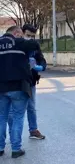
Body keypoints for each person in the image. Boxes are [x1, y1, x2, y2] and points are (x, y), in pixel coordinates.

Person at [0, 26, 41, 158]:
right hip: (19, 86)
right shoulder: (19, 42)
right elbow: (35, 44)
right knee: (18, 117)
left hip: (1, 88)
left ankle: (0, 147)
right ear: (17, 33)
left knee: (1, 117)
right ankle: (16, 149)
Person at [8, 24, 47, 140]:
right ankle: (13, 133)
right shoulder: (14, 45)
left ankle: (33, 130)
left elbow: (42, 61)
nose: (30, 38)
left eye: (32, 36)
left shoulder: (34, 47)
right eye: (28, 35)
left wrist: (39, 67)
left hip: (31, 82)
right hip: (16, 82)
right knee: (11, 111)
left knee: (31, 107)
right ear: (21, 33)